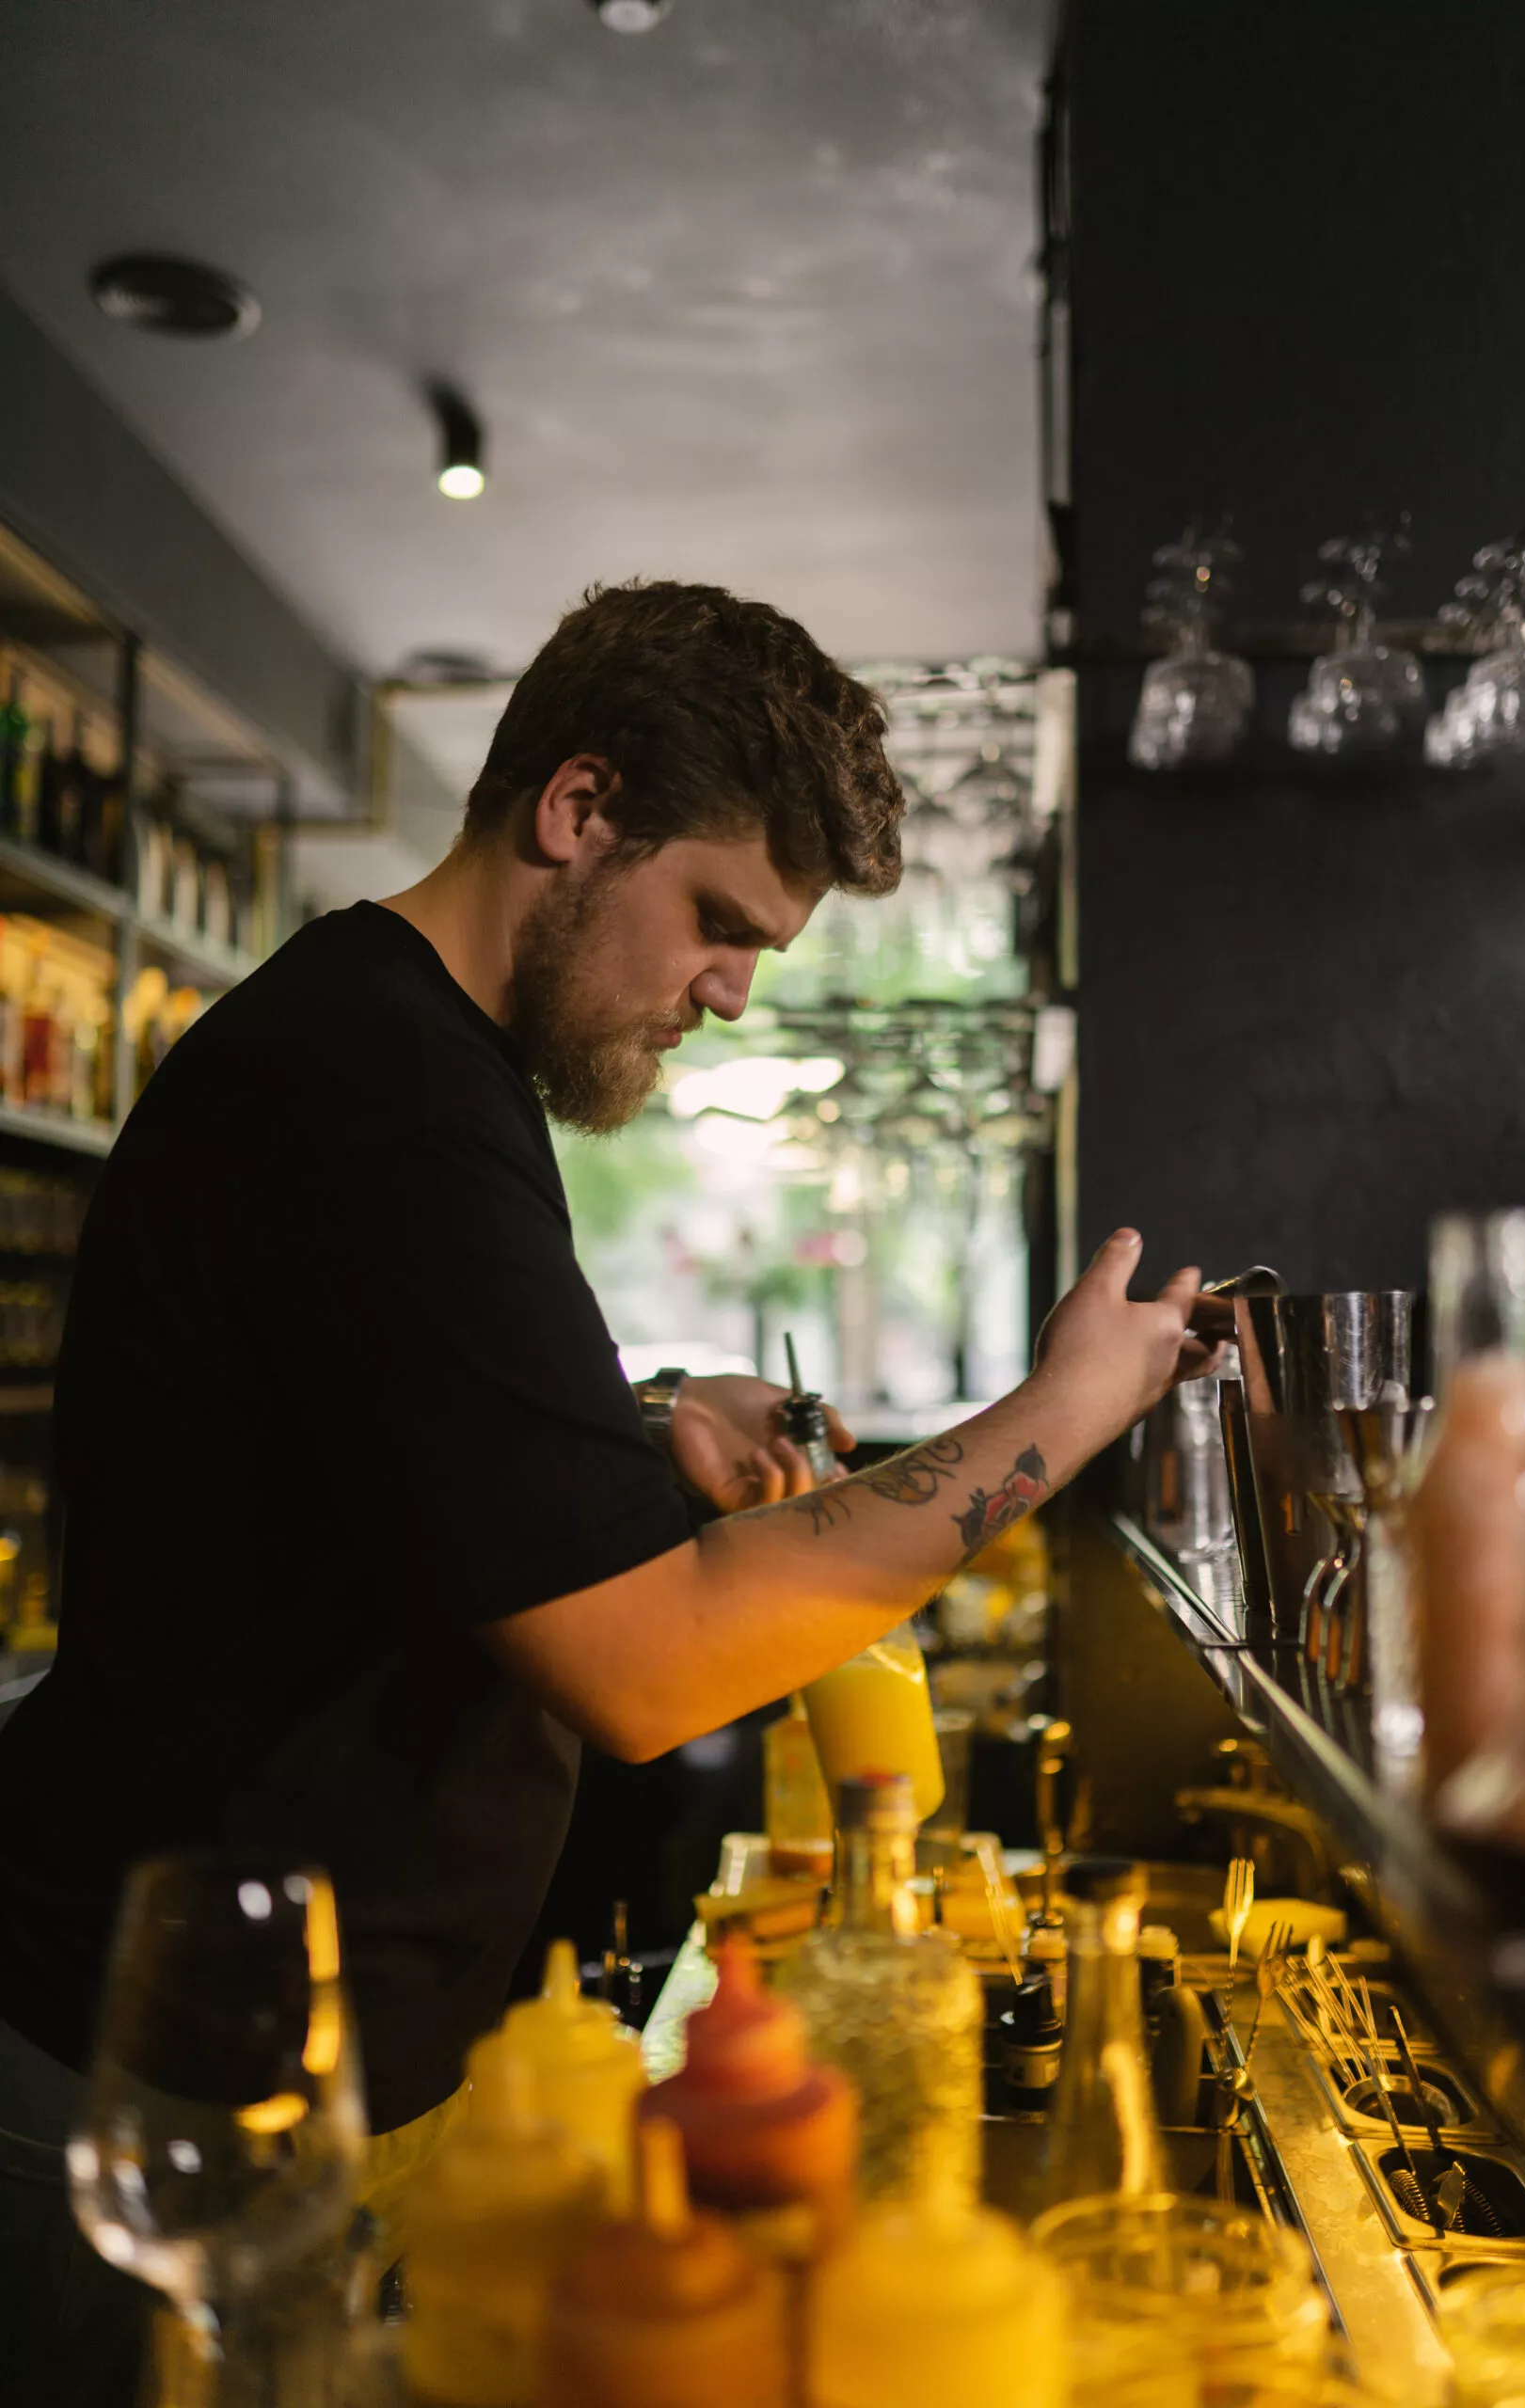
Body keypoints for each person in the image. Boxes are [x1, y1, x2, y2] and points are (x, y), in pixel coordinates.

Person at [0, 579, 1211, 2404]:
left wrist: (633, 1421)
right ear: (576, 811)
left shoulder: (409, 1060)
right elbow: (650, 1667)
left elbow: (369, 1428)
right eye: (718, 921)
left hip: (269, 2042)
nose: (729, 990)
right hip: (165, 2074)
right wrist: (1060, 1411)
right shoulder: (382, 1092)